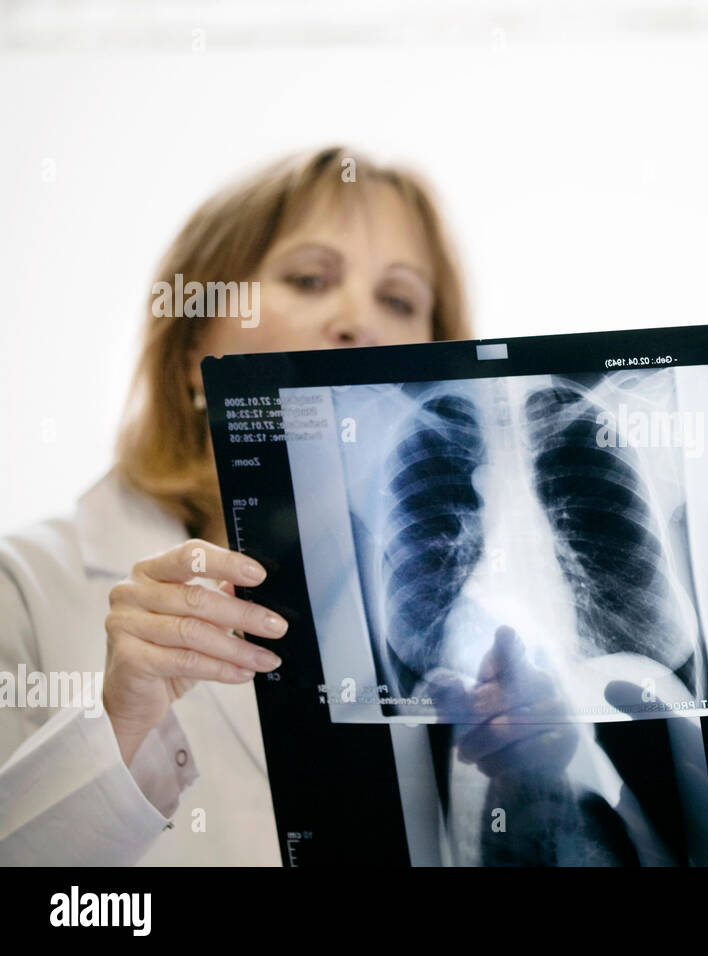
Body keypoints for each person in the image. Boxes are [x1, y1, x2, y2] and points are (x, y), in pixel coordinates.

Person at [0, 146, 659, 865]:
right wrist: (120, 729)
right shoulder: (27, 588)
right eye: (309, 279)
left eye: (399, 300)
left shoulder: (479, 634)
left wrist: (528, 791)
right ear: (195, 345)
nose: (357, 323)